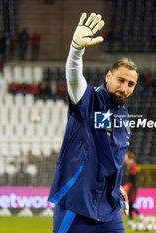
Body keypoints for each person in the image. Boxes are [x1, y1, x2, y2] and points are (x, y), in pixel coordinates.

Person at [48, 12, 138, 233]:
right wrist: (76, 50)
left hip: (108, 212)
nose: (124, 88)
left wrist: (116, 188)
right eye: (121, 80)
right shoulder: (88, 101)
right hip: (76, 207)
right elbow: (74, 77)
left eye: (131, 84)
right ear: (108, 76)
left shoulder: (123, 116)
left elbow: (109, 160)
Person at [123, 152, 143, 226]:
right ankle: (132, 220)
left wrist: (127, 184)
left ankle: (140, 217)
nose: (124, 159)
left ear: (130, 158)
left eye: (126, 157)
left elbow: (132, 177)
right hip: (129, 187)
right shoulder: (128, 166)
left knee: (130, 204)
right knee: (129, 204)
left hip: (132, 188)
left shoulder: (133, 165)